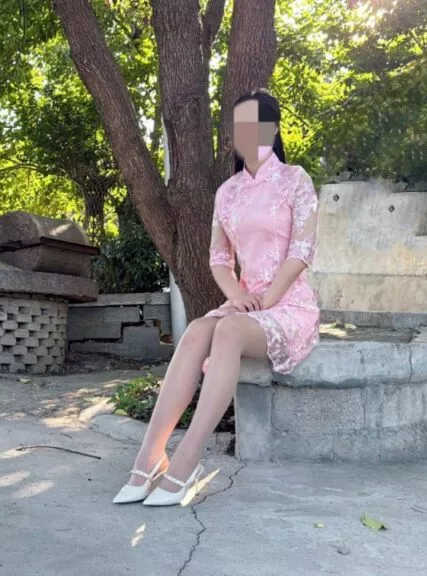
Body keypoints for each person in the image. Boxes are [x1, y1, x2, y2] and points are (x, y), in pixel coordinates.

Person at [113, 89, 321, 507]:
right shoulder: (227, 191)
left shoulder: (295, 180)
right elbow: (219, 258)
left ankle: (187, 462)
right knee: (196, 331)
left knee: (227, 332)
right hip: (245, 302)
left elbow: (301, 251)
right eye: (240, 125)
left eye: (256, 124)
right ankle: (148, 458)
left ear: (273, 129)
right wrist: (237, 295)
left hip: (288, 304)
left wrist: (266, 298)